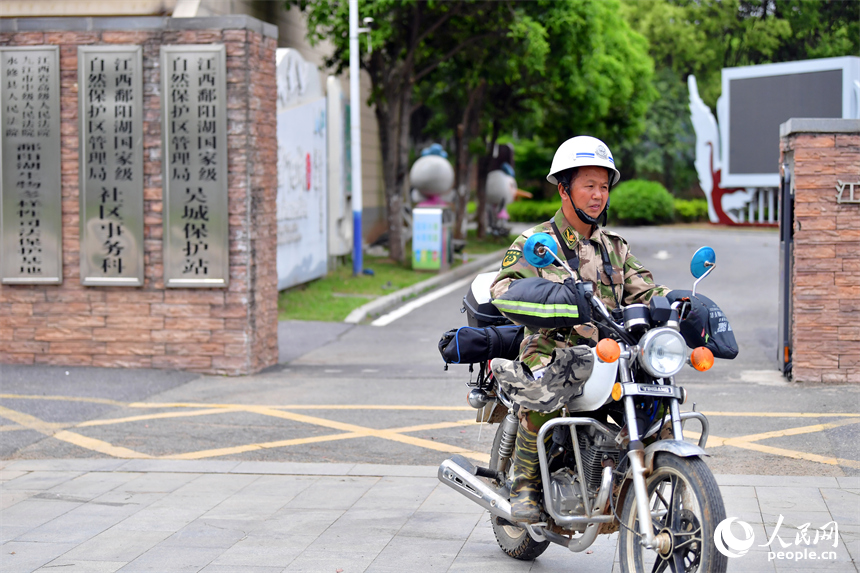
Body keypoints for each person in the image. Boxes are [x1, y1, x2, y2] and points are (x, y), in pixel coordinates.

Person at [489, 135, 670, 523]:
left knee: (658, 399)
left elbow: (648, 290)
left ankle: (641, 473)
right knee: (554, 374)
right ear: (563, 188)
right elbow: (503, 290)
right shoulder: (537, 243)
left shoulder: (615, 247)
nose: (598, 195)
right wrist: (561, 300)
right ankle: (525, 480)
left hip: (609, 352)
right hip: (551, 349)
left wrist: (683, 304)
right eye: (589, 185)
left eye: (604, 186)